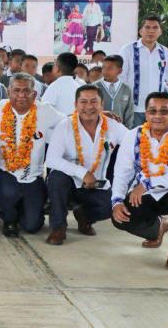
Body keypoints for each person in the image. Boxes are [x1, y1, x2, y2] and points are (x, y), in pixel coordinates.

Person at [111, 92, 168, 270]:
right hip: (149, 195)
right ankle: (158, 228)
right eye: (152, 111)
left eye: (164, 111)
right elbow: (122, 172)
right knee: (121, 218)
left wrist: (147, 184)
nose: (157, 116)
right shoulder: (133, 136)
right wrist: (117, 201)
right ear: (146, 114)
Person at [44, 85, 129, 244]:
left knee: (112, 205)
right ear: (75, 105)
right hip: (69, 182)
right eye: (83, 102)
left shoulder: (113, 125)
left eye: (93, 102)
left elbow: (133, 143)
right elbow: (52, 159)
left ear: (102, 105)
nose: (89, 106)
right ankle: (58, 228)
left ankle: (84, 216)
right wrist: (82, 173)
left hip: (96, 184)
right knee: (56, 178)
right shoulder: (65, 125)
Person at [0, 73, 64, 237]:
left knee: (32, 226)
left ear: (34, 94)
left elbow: (70, 122)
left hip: (32, 176)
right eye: (16, 90)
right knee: (9, 191)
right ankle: (9, 218)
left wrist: (102, 114)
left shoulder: (45, 111)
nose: (21, 95)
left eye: (26, 91)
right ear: (9, 92)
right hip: (3, 172)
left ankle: (22, 207)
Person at [119, 15, 168, 126]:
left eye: (155, 28)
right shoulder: (127, 50)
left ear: (160, 31)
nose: (151, 31)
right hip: (133, 108)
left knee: (156, 142)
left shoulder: (165, 53)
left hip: (156, 111)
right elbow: (121, 78)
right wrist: (123, 104)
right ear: (140, 31)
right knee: (134, 141)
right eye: (147, 27)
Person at [94, 55, 134, 128]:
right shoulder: (94, 87)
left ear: (119, 71)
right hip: (98, 129)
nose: (105, 71)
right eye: (104, 67)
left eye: (110, 68)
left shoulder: (126, 89)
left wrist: (127, 131)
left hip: (119, 131)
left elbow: (129, 114)